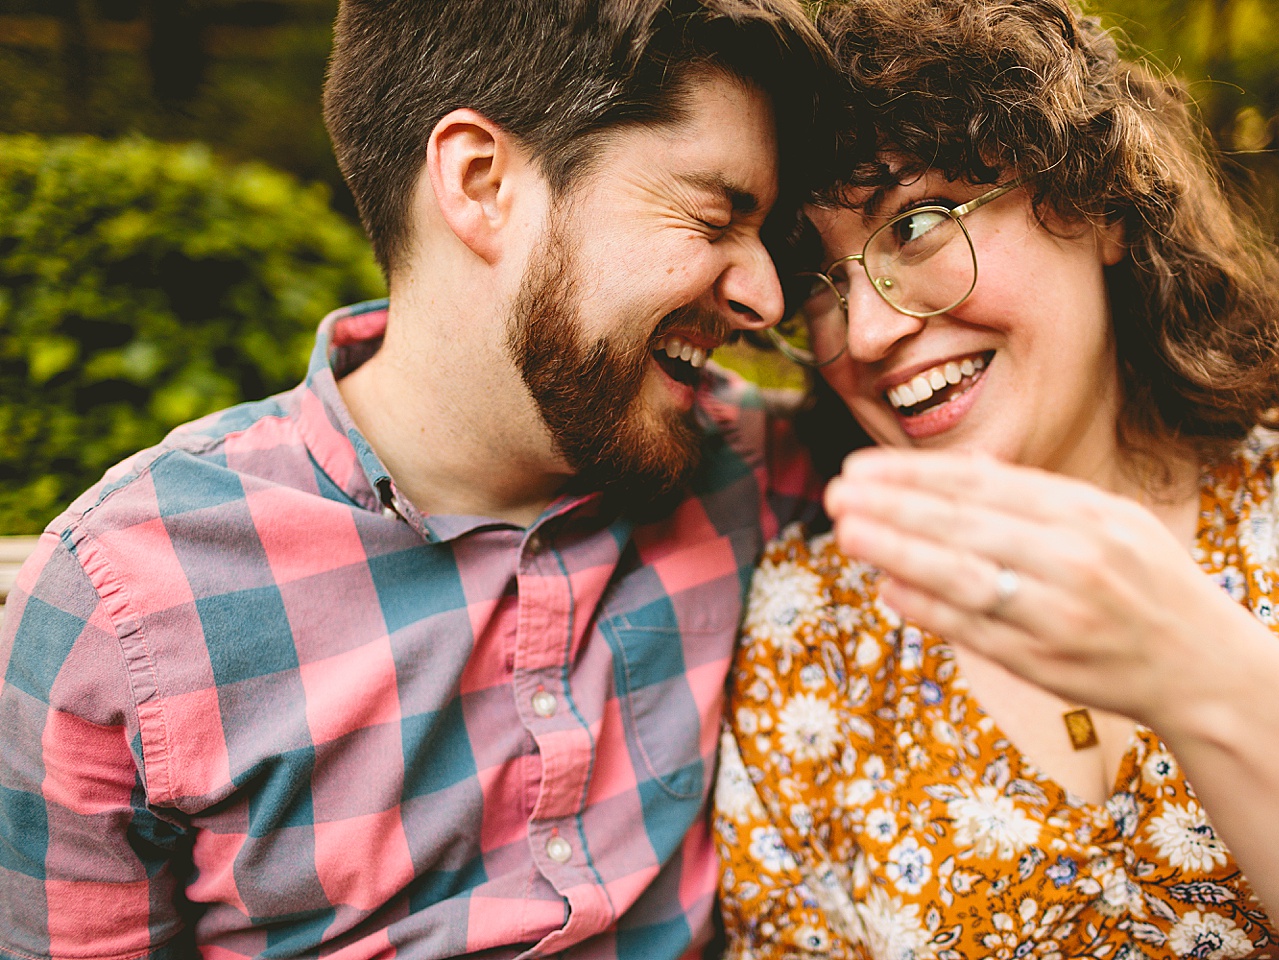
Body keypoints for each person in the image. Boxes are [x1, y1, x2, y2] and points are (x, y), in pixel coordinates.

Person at [0, 2, 834, 956]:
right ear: (481, 182)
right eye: (715, 215)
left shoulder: (758, 467)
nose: (766, 297)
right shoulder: (125, 607)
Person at [714, 0, 1279, 958]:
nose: (871, 330)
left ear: (1094, 204)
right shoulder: (812, 630)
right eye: (822, 283)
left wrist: (1201, 677)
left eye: (918, 225)